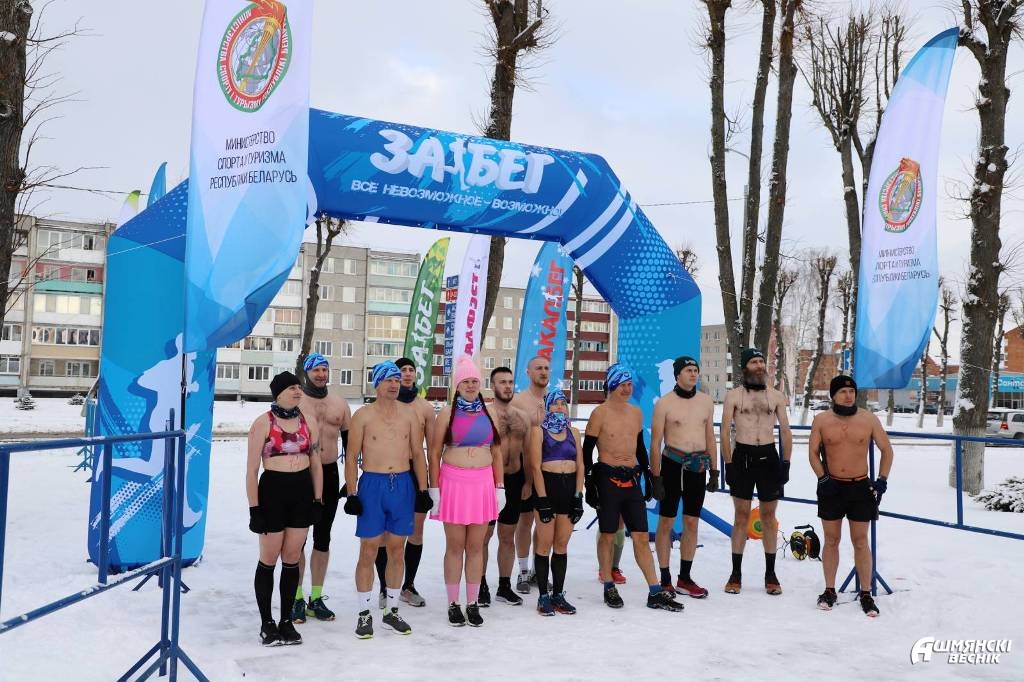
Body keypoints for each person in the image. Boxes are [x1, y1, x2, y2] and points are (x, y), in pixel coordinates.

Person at [584, 364, 684, 612]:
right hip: (607, 480)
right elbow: (587, 452)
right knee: (608, 535)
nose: (627, 389)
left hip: (632, 480)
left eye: (629, 385)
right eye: (623, 385)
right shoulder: (599, 413)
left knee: (640, 536)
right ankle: (608, 584)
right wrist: (589, 483)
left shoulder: (636, 413)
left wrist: (649, 475)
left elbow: (639, 447)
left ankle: (655, 591)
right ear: (612, 385)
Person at [343, 361, 430, 639]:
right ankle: (364, 613)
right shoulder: (363, 416)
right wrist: (352, 493)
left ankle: (392, 611)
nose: (394, 384)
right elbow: (351, 456)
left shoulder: (409, 415)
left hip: (402, 484)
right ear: (377, 384)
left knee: (397, 549)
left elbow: (418, 453)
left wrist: (423, 490)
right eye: (388, 380)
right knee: (368, 549)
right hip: (372, 484)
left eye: (396, 380)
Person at [246, 371, 323, 646]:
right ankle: (267, 622)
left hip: (301, 492)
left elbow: (316, 464)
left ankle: (286, 621)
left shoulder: (308, 421)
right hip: (272, 492)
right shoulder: (262, 423)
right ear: (278, 393)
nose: (298, 391)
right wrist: (255, 509)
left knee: (292, 557)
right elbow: (251, 471)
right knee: (269, 558)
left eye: (298, 387)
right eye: (292, 387)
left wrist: (317, 500)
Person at [427, 354, 504, 627]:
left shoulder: (489, 412)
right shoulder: (447, 412)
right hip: (454, 484)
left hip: (482, 484)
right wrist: (434, 488)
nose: (471, 385)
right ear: (457, 385)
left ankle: (472, 603)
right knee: (455, 546)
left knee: (475, 546)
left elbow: (496, 452)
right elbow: (434, 452)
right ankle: (453, 603)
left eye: (474, 381)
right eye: (466, 381)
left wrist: (500, 487)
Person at [809, 375, 893, 617]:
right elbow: (813, 453)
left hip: (860, 488)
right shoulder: (822, 420)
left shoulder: (868, 419)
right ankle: (829, 590)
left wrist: (882, 480)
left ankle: (866, 593)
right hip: (831, 487)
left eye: (851, 391)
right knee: (831, 539)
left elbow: (887, 450)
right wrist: (822, 478)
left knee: (860, 540)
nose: (848, 396)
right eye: (843, 392)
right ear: (833, 395)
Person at [720, 348, 793, 596]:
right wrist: (728, 464)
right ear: (745, 367)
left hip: (769, 458)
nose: (760, 365)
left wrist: (786, 463)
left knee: (769, 516)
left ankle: (770, 573)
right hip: (743, 457)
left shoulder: (776, 396)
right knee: (741, 516)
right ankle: (735, 573)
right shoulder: (734, 396)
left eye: (762, 361)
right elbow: (724, 432)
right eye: (754, 362)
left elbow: (785, 431)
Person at [291, 353, 351, 623]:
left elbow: (351, 447)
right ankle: (296, 598)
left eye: (324, 370)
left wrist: (351, 480)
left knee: (323, 537)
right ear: (307, 372)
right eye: (316, 370)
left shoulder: (340, 403)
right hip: (302, 473)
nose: (321, 374)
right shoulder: (296, 401)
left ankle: (316, 597)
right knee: (298, 538)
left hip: (329, 473)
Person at [650, 356, 718, 598]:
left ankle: (685, 578)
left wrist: (715, 470)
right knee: (666, 522)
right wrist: (655, 477)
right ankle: (665, 577)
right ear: (678, 375)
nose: (693, 374)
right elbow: (655, 442)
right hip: (672, 466)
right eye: (688, 370)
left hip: (697, 467)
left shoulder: (706, 401)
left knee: (691, 522)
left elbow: (710, 436)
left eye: (695, 370)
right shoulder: (665, 403)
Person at [372, 357, 436, 609]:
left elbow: (432, 449)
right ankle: (385, 586)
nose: (407, 374)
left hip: (415, 471)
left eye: (411, 370)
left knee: (416, 531)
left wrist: (431, 485)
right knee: (385, 534)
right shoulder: (384, 405)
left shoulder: (425, 408)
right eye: (402, 371)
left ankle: (407, 585)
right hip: (388, 471)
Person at [526, 389, 584, 615]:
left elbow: (580, 466)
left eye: (563, 403)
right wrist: (542, 499)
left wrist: (578, 497)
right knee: (544, 544)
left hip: (568, 491)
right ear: (547, 407)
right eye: (555, 403)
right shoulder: (538, 431)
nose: (560, 407)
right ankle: (543, 596)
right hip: (547, 489)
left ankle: (558, 594)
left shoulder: (573, 431)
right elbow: (535, 467)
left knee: (561, 545)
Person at [481, 366, 531, 606]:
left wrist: (528, 482)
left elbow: (528, 453)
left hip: (515, 481)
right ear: (492, 386)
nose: (508, 386)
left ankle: (504, 586)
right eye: (502, 382)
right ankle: (480, 584)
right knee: (483, 536)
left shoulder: (522, 417)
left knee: (507, 536)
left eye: (510, 382)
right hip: (488, 482)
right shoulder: (484, 415)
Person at [509, 356, 548, 594]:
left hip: (549, 471)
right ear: (528, 372)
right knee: (525, 522)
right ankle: (522, 571)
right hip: (525, 469)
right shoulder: (518, 401)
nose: (543, 372)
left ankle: (537, 570)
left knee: (544, 522)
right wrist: (525, 479)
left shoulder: (554, 399)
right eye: (538, 368)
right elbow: (513, 440)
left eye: (546, 368)